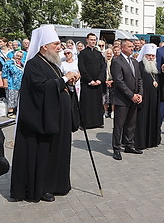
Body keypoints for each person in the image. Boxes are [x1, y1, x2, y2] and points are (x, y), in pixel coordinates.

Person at [10, 25, 80, 202]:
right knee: (45, 154)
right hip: (43, 121)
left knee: (59, 154)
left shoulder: (52, 63)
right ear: (44, 46)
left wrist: (69, 83)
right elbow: (41, 89)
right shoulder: (34, 64)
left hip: (58, 119)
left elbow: (58, 86)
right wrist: (64, 78)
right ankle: (43, 188)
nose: (60, 47)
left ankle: (57, 184)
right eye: (56, 44)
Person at [110, 39, 143, 160]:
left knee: (131, 124)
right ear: (123, 47)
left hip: (134, 98)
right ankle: (116, 149)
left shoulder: (134, 62)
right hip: (122, 100)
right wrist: (131, 95)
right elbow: (119, 81)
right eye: (129, 46)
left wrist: (139, 94)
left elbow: (139, 79)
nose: (132, 48)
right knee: (119, 125)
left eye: (132, 46)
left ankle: (129, 145)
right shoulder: (117, 61)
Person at [135, 44, 161, 149]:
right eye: (148, 55)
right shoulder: (139, 65)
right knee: (142, 119)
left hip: (154, 98)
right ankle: (141, 142)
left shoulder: (155, 67)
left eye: (152, 56)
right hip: (143, 97)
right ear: (144, 55)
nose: (150, 58)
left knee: (153, 118)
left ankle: (152, 140)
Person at [78, 33, 106, 129]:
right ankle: (85, 123)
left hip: (98, 83)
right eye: (91, 40)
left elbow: (103, 67)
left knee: (97, 103)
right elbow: (82, 68)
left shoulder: (99, 54)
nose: (93, 41)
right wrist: (90, 80)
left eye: (94, 40)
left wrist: (99, 79)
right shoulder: (83, 53)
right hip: (87, 83)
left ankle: (98, 122)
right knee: (86, 104)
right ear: (87, 40)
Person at [2, 51, 24, 118]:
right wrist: (5, 83)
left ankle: (15, 111)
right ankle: (10, 113)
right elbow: (4, 74)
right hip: (11, 84)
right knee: (11, 98)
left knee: (17, 98)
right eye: (17, 56)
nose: (19, 57)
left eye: (20, 56)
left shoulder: (21, 64)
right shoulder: (9, 63)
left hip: (19, 85)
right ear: (14, 56)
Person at [103, 48, 114, 118]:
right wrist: (105, 81)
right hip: (105, 82)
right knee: (105, 98)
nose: (109, 55)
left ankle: (113, 112)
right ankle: (105, 111)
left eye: (110, 53)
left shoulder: (114, 62)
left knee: (113, 98)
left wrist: (111, 81)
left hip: (113, 82)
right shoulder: (103, 62)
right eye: (107, 53)